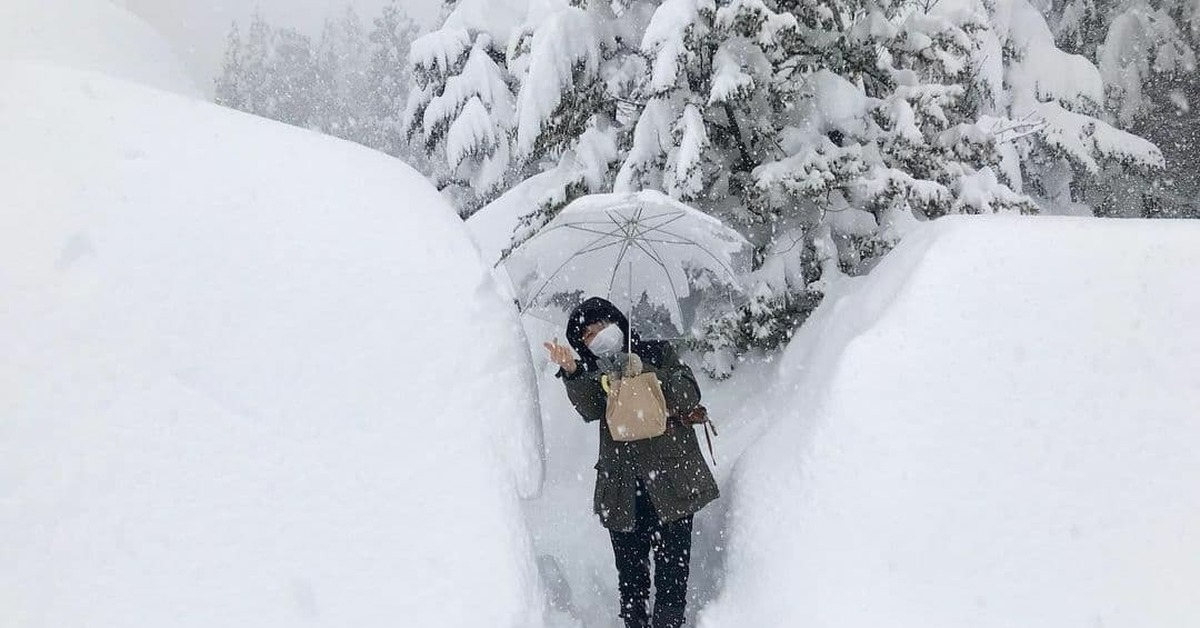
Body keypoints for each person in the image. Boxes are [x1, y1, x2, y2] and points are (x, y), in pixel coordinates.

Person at [543, 297, 719, 628]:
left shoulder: (657, 351)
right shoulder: (595, 372)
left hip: (672, 480)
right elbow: (589, 409)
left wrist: (646, 374)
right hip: (623, 489)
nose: (595, 336)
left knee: (672, 575)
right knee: (631, 579)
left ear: (616, 322)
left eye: (599, 327)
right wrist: (572, 371)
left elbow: (688, 393)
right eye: (586, 337)